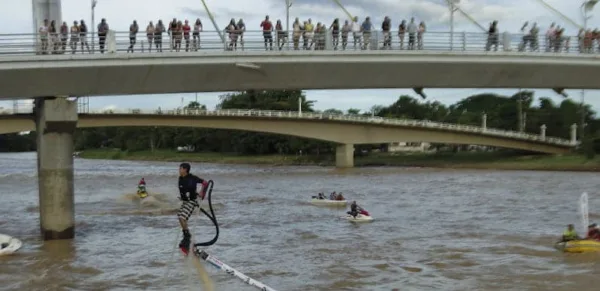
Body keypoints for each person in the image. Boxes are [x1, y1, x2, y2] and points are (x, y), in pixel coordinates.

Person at [177, 163, 208, 252]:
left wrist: (201, 192)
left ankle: (187, 237)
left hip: (192, 201)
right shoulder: (180, 178)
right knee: (180, 217)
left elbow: (205, 183)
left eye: (180, 168)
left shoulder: (193, 178)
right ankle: (186, 237)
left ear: (185, 169)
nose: (179, 170)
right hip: (185, 201)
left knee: (182, 218)